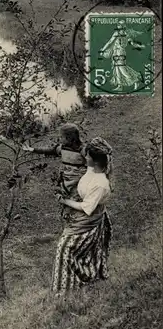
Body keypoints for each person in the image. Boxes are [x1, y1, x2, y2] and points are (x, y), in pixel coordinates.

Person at [51, 137, 113, 295]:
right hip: (81, 217)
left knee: (64, 248)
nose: (84, 158)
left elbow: (87, 208)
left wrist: (65, 200)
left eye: (87, 156)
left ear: (94, 160)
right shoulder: (92, 170)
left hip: (89, 220)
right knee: (79, 252)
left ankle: (64, 290)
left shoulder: (100, 183)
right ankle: (83, 280)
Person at [23, 123, 87, 219]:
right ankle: (70, 218)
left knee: (78, 203)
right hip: (66, 181)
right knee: (68, 202)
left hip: (79, 181)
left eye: (62, 137)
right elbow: (50, 150)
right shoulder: (62, 148)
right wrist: (33, 149)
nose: (60, 139)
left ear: (69, 138)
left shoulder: (82, 150)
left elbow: (94, 161)